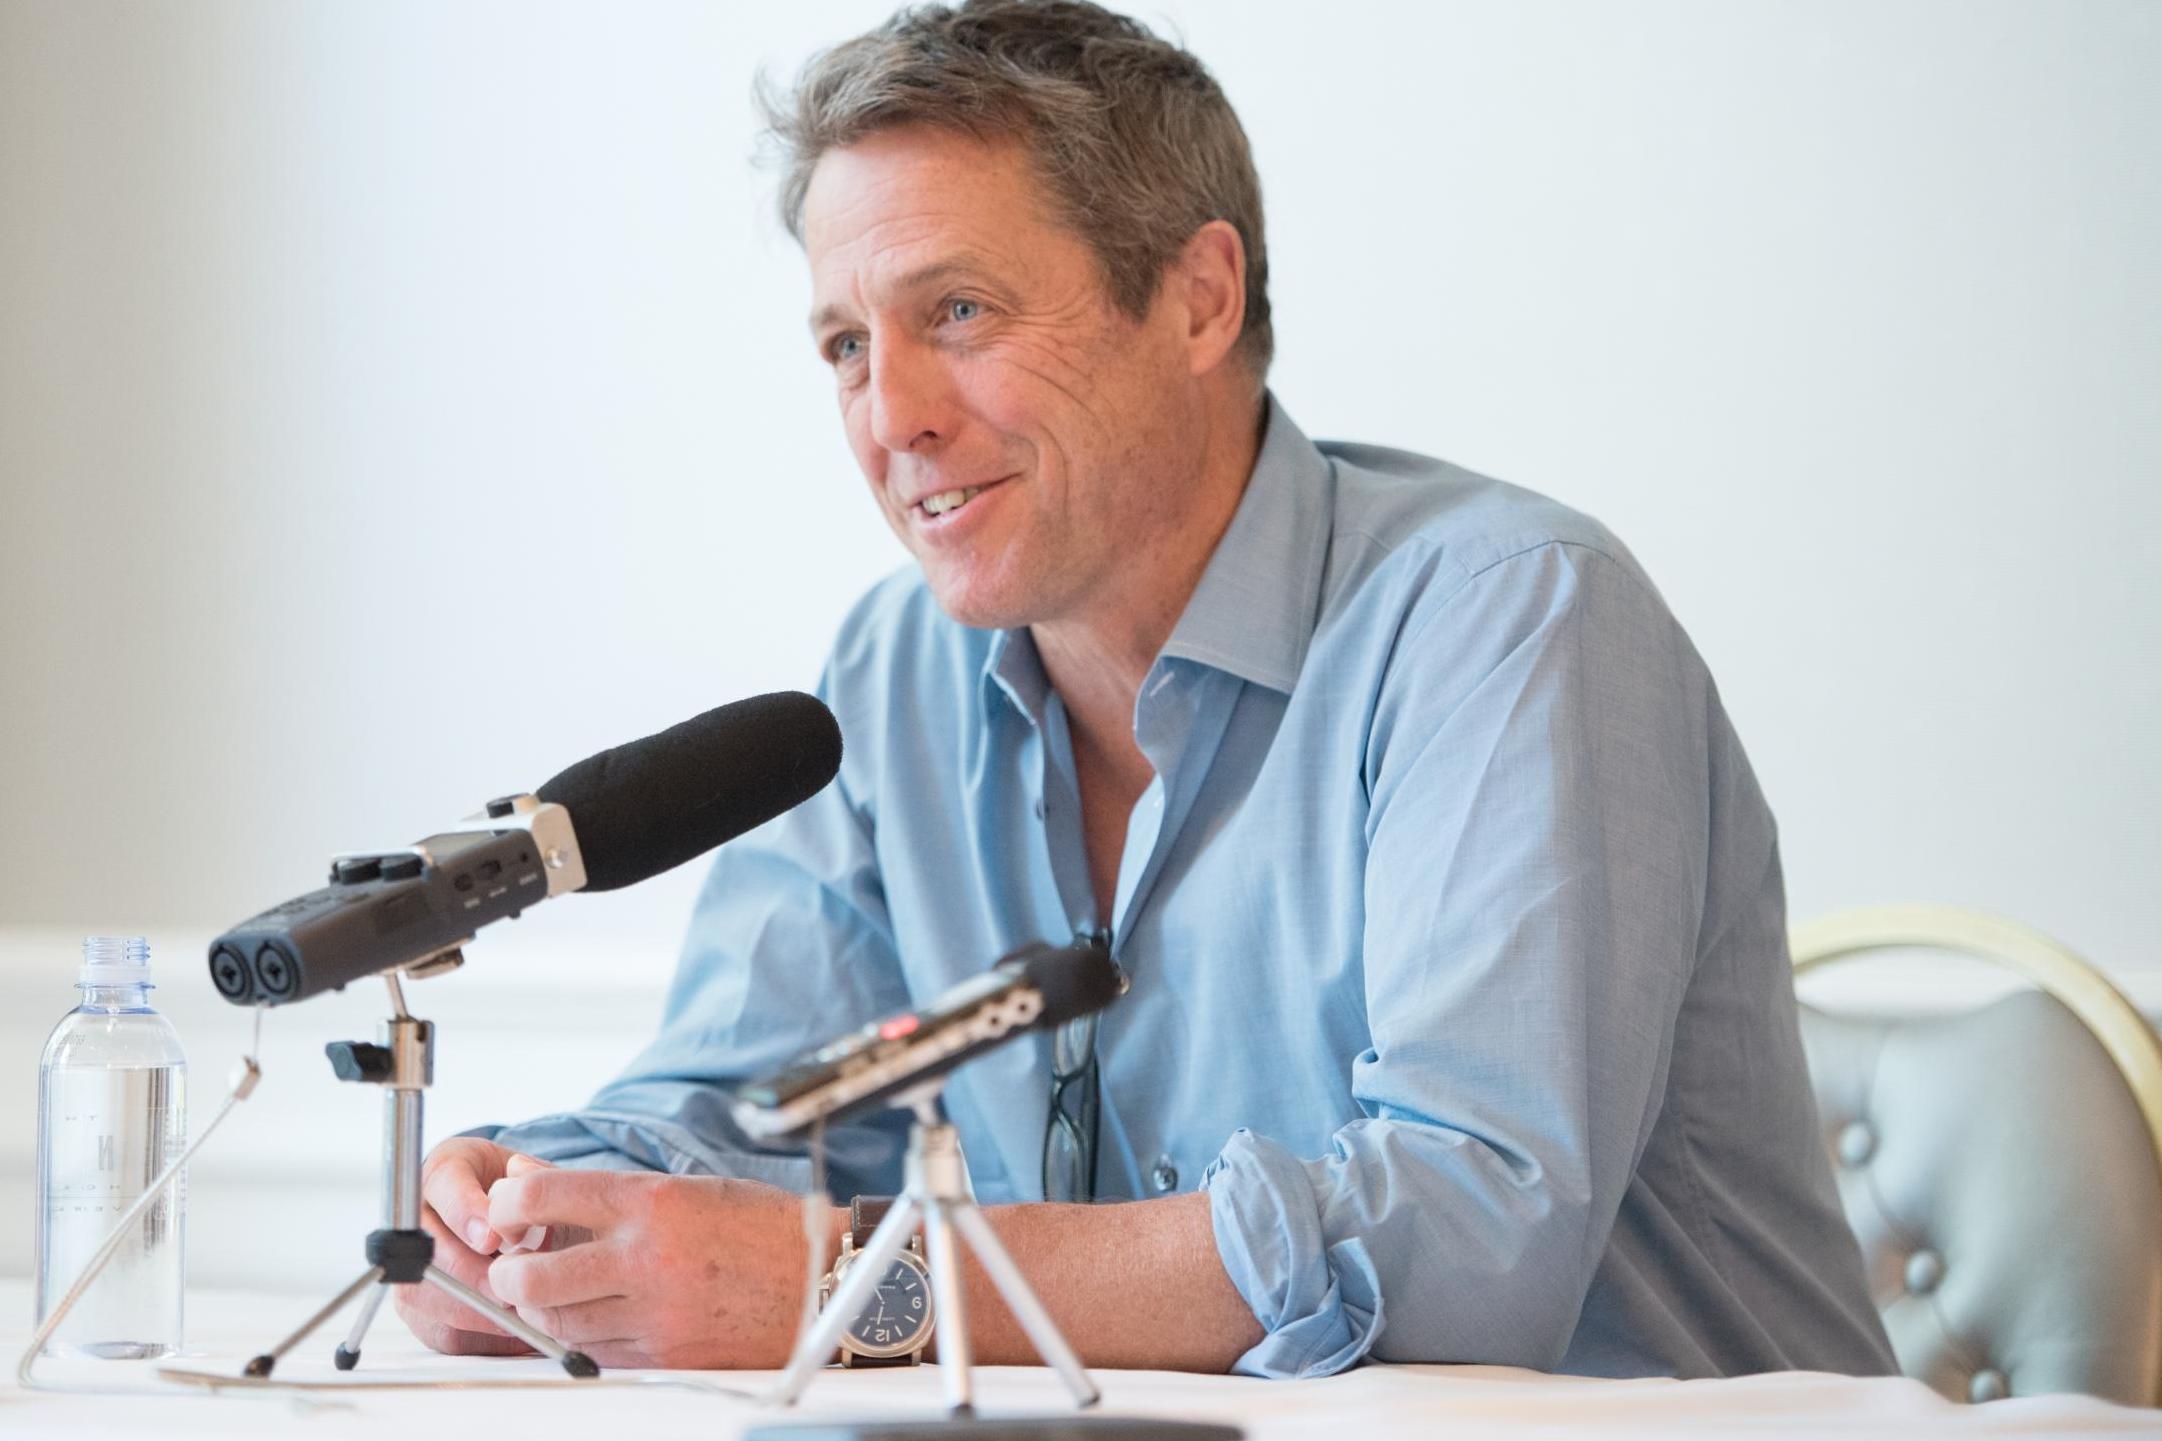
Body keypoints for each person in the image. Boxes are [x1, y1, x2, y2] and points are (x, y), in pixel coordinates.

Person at [395, 0, 1896, 1380]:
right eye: (847, 345)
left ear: (1195, 299)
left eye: (960, 313)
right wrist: (527, 1203)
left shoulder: (1507, 618)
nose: (891, 417)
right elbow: (752, 1110)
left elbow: (1464, 1241)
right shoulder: (891, 672)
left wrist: (851, 1277)